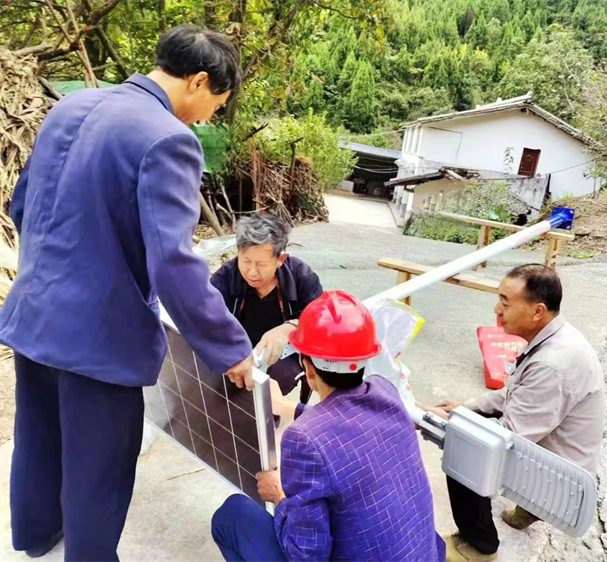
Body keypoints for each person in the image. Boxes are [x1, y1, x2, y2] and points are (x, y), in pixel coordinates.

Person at [0, 25, 257, 561]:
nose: (207, 118)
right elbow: (174, 264)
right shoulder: (168, 138)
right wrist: (230, 349)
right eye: (215, 103)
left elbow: (20, 205)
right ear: (199, 80)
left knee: (39, 436)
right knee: (98, 468)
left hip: (32, 314)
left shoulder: (70, 108)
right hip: (100, 339)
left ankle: (35, 536)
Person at [211, 291, 446, 562]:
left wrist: (279, 497)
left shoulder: (304, 440)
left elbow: (306, 555)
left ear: (307, 368)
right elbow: (348, 420)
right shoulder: (385, 392)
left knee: (232, 514)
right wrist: (289, 408)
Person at [426, 264, 605, 562]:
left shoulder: (553, 364)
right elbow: (514, 392)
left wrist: (454, 423)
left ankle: (480, 546)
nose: (497, 309)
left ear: (537, 311)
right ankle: (531, 509)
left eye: (505, 302)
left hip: (562, 482)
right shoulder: (555, 335)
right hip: (556, 455)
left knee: (466, 445)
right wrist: (465, 408)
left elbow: (508, 435)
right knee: (467, 422)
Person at [210, 213, 322, 402]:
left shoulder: (302, 277)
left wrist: (290, 327)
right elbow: (207, 318)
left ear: (280, 259)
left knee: (274, 383)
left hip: (286, 353)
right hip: (238, 346)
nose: (252, 272)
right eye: (246, 261)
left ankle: (269, 419)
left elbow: (322, 320)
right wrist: (235, 353)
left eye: (261, 264)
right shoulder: (227, 276)